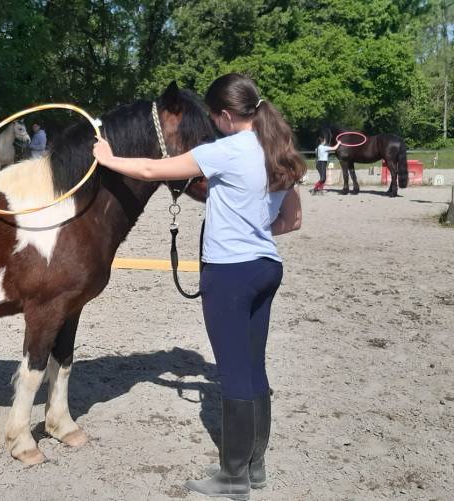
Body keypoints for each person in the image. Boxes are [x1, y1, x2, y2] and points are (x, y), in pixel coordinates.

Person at [92, 73, 304, 500]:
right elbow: (291, 221)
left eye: (213, 117)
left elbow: (152, 168)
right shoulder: (279, 151)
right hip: (266, 267)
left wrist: (108, 157)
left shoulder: (224, 151)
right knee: (254, 365)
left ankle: (232, 477)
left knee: (232, 372)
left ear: (226, 115)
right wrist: (252, 229)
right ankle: (254, 466)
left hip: (230, 272)